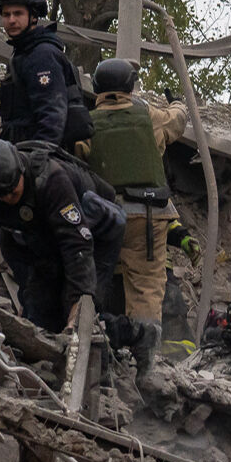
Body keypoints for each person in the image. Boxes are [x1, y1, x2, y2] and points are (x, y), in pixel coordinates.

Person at [0, 137, 122, 334]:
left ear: (21, 172)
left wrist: (77, 311)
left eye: (13, 193)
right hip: (43, 238)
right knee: (41, 315)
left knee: (84, 315)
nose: (7, 200)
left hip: (95, 234)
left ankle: (135, 336)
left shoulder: (51, 180)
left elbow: (77, 248)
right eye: (0, 197)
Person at [76, 58, 183, 373]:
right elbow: (178, 121)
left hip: (103, 219)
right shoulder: (148, 115)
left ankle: (98, 351)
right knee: (146, 285)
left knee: (100, 278)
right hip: (148, 218)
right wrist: (176, 103)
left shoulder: (87, 122)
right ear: (130, 86)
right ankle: (145, 364)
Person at [0, 0, 90, 150]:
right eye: (6, 15)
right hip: (24, 152)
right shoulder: (23, 54)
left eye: (18, 13)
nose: (11, 20)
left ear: (33, 17)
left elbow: (52, 117)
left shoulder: (41, 55)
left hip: (41, 159)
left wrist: (36, 159)